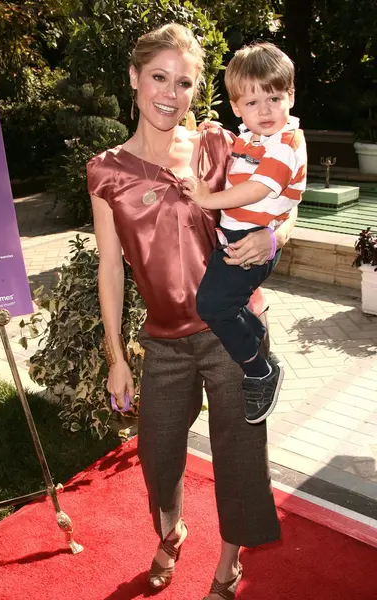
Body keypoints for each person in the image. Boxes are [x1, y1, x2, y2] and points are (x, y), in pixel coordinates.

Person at [87, 24, 297, 600]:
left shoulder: (215, 145)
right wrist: (115, 357)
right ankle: (172, 528)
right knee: (156, 450)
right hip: (163, 337)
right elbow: (110, 267)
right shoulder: (104, 169)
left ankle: (229, 562)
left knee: (238, 450)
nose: (170, 93)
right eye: (159, 77)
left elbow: (281, 198)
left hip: (231, 328)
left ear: (195, 90)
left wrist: (276, 236)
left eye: (184, 82)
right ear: (134, 77)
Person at [183, 42, 307, 426]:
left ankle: (260, 371)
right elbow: (239, 159)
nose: (265, 110)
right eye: (252, 103)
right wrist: (209, 130)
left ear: (290, 96)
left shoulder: (287, 142)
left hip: (254, 240)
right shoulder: (252, 139)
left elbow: (256, 189)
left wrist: (208, 198)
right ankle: (257, 341)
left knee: (213, 306)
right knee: (221, 303)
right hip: (239, 238)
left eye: (274, 97)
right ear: (237, 107)